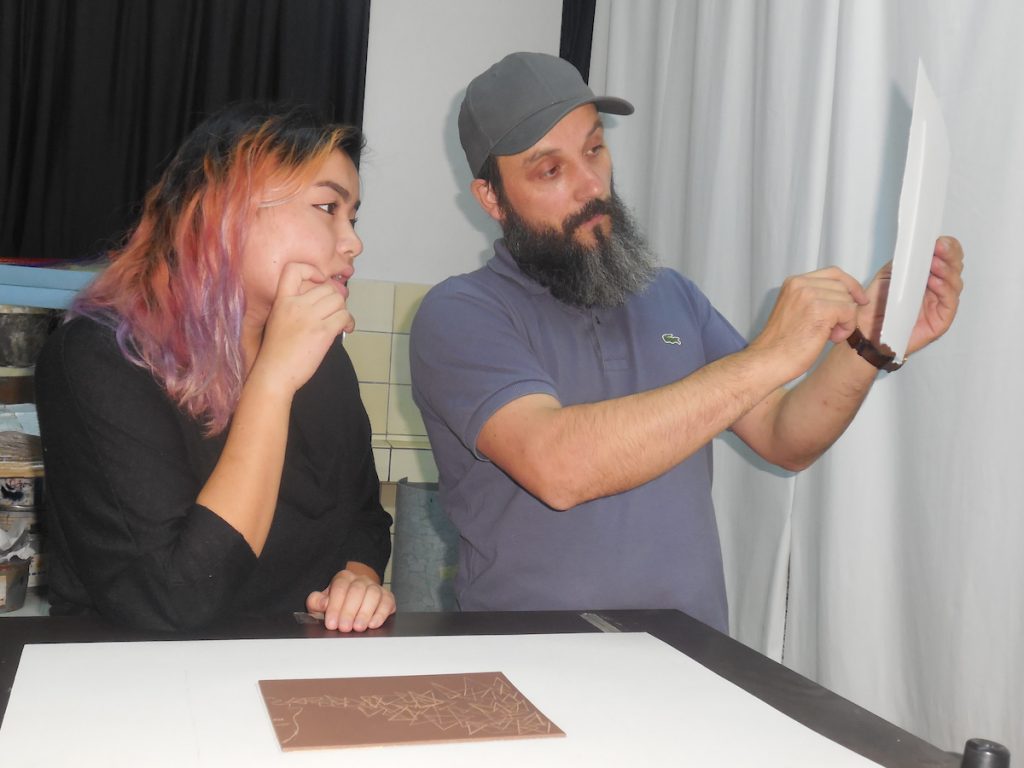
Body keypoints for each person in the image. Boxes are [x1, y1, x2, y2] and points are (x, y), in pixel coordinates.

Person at [409, 52, 964, 632]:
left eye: (594, 149)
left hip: (691, 660)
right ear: (491, 198)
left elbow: (784, 437)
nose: (591, 185)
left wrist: (869, 344)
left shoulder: (670, 294)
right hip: (530, 666)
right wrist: (768, 356)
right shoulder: (460, 313)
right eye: (551, 171)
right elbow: (558, 467)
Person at [35, 102, 395, 633]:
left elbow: (364, 516)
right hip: (134, 678)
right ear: (226, 210)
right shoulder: (99, 356)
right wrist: (272, 383)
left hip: (290, 666)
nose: (354, 242)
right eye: (327, 208)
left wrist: (357, 580)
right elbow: (176, 600)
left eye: (354, 217)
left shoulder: (322, 356)